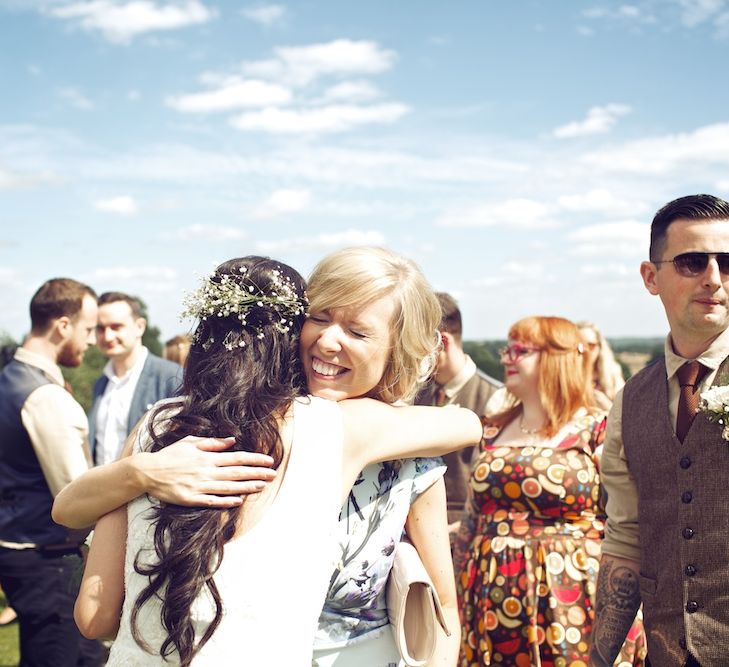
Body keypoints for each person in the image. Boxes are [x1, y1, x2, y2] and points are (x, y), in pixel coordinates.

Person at [69, 255, 481, 666]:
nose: (328, 341)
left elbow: (444, 609)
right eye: (318, 318)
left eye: (357, 331)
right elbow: (467, 424)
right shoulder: (313, 428)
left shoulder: (406, 457)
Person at [454, 316, 646, 667]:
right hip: (487, 596)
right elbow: (472, 517)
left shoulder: (596, 428)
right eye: (506, 349)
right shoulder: (493, 428)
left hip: (569, 597)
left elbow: (632, 518)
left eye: (520, 350)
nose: (507, 358)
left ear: (557, 358)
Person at [590, 194, 729, 667]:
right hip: (666, 653)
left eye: (727, 262)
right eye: (693, 262)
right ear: (652, 277)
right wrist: (600, 658)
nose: (714, 278)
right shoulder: (632, 398)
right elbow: (626, 539)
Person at [0, 278, 99, 666]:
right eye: (88, 329)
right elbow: (77, 497)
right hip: (48, 559)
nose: (91, 340)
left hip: (18, 549)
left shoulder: (9, 378)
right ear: (63, 326)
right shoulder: (43, 396)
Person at [415, 292, 502, 529]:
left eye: (415, 341)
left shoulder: (497, 398)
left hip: (471, 530)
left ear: (441, 342)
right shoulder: (413, 394)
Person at [89, 292, 181, 465]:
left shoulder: (170, 377)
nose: (107, 336)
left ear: (140, 326)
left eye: (116, 327)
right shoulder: (101, 383)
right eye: (100, 328)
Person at [577, 321, 625, 409]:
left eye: (590, 345)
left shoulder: (612, 373)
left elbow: (626, 413)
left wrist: (606, 405)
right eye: (581, 346)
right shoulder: (568, 376)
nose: (585, 350)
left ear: (600, 347)